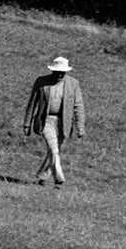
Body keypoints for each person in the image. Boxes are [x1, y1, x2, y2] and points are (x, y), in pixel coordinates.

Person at [22, 55, 86, 186]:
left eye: (62, 73)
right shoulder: (41, 82)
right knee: (53, 148)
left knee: (55, 151)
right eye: (57, 72)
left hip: (63, 122)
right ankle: (59, 179)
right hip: (46, 120)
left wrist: (80, 126)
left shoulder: (73, 84)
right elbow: (32, 103)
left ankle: (42, 177)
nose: (59, 75)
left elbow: (78, 106)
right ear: (52, 71)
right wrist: (27, 123)